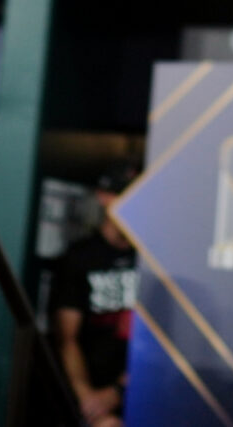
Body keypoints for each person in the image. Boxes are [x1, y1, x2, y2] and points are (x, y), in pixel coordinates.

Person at [49, 163, 140, 427]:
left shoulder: (152, 259)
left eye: (137, 194)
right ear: (103, 196)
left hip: (143, 390)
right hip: (92, 396)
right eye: (122, 194)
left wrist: (118, 391)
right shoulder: (80, 257)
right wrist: (86, 397)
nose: (129, 203)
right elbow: (67, 338)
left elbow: (163, 344)